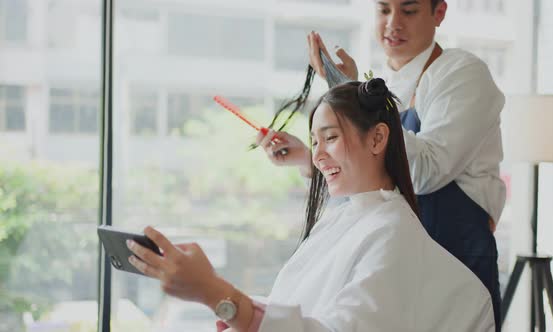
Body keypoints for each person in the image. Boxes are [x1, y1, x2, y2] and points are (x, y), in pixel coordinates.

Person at [127, 79, 495, 332]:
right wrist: (212, 291)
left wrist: (214, 293)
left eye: (330, 138)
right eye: (313, 142)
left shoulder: (391, 234)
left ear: (378, 137)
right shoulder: (348, 218)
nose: (317, 157)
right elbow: (295, 310)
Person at [257, 1, 505, 328]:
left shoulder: (461, 73)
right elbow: (373, 175)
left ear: (439, 13)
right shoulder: (382, 83)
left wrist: (347, 96)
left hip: (454, 249)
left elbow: (428, 170)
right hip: (391, 251)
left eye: (409, 10)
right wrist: (310, 158)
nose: (393, 24)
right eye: (384, 10)